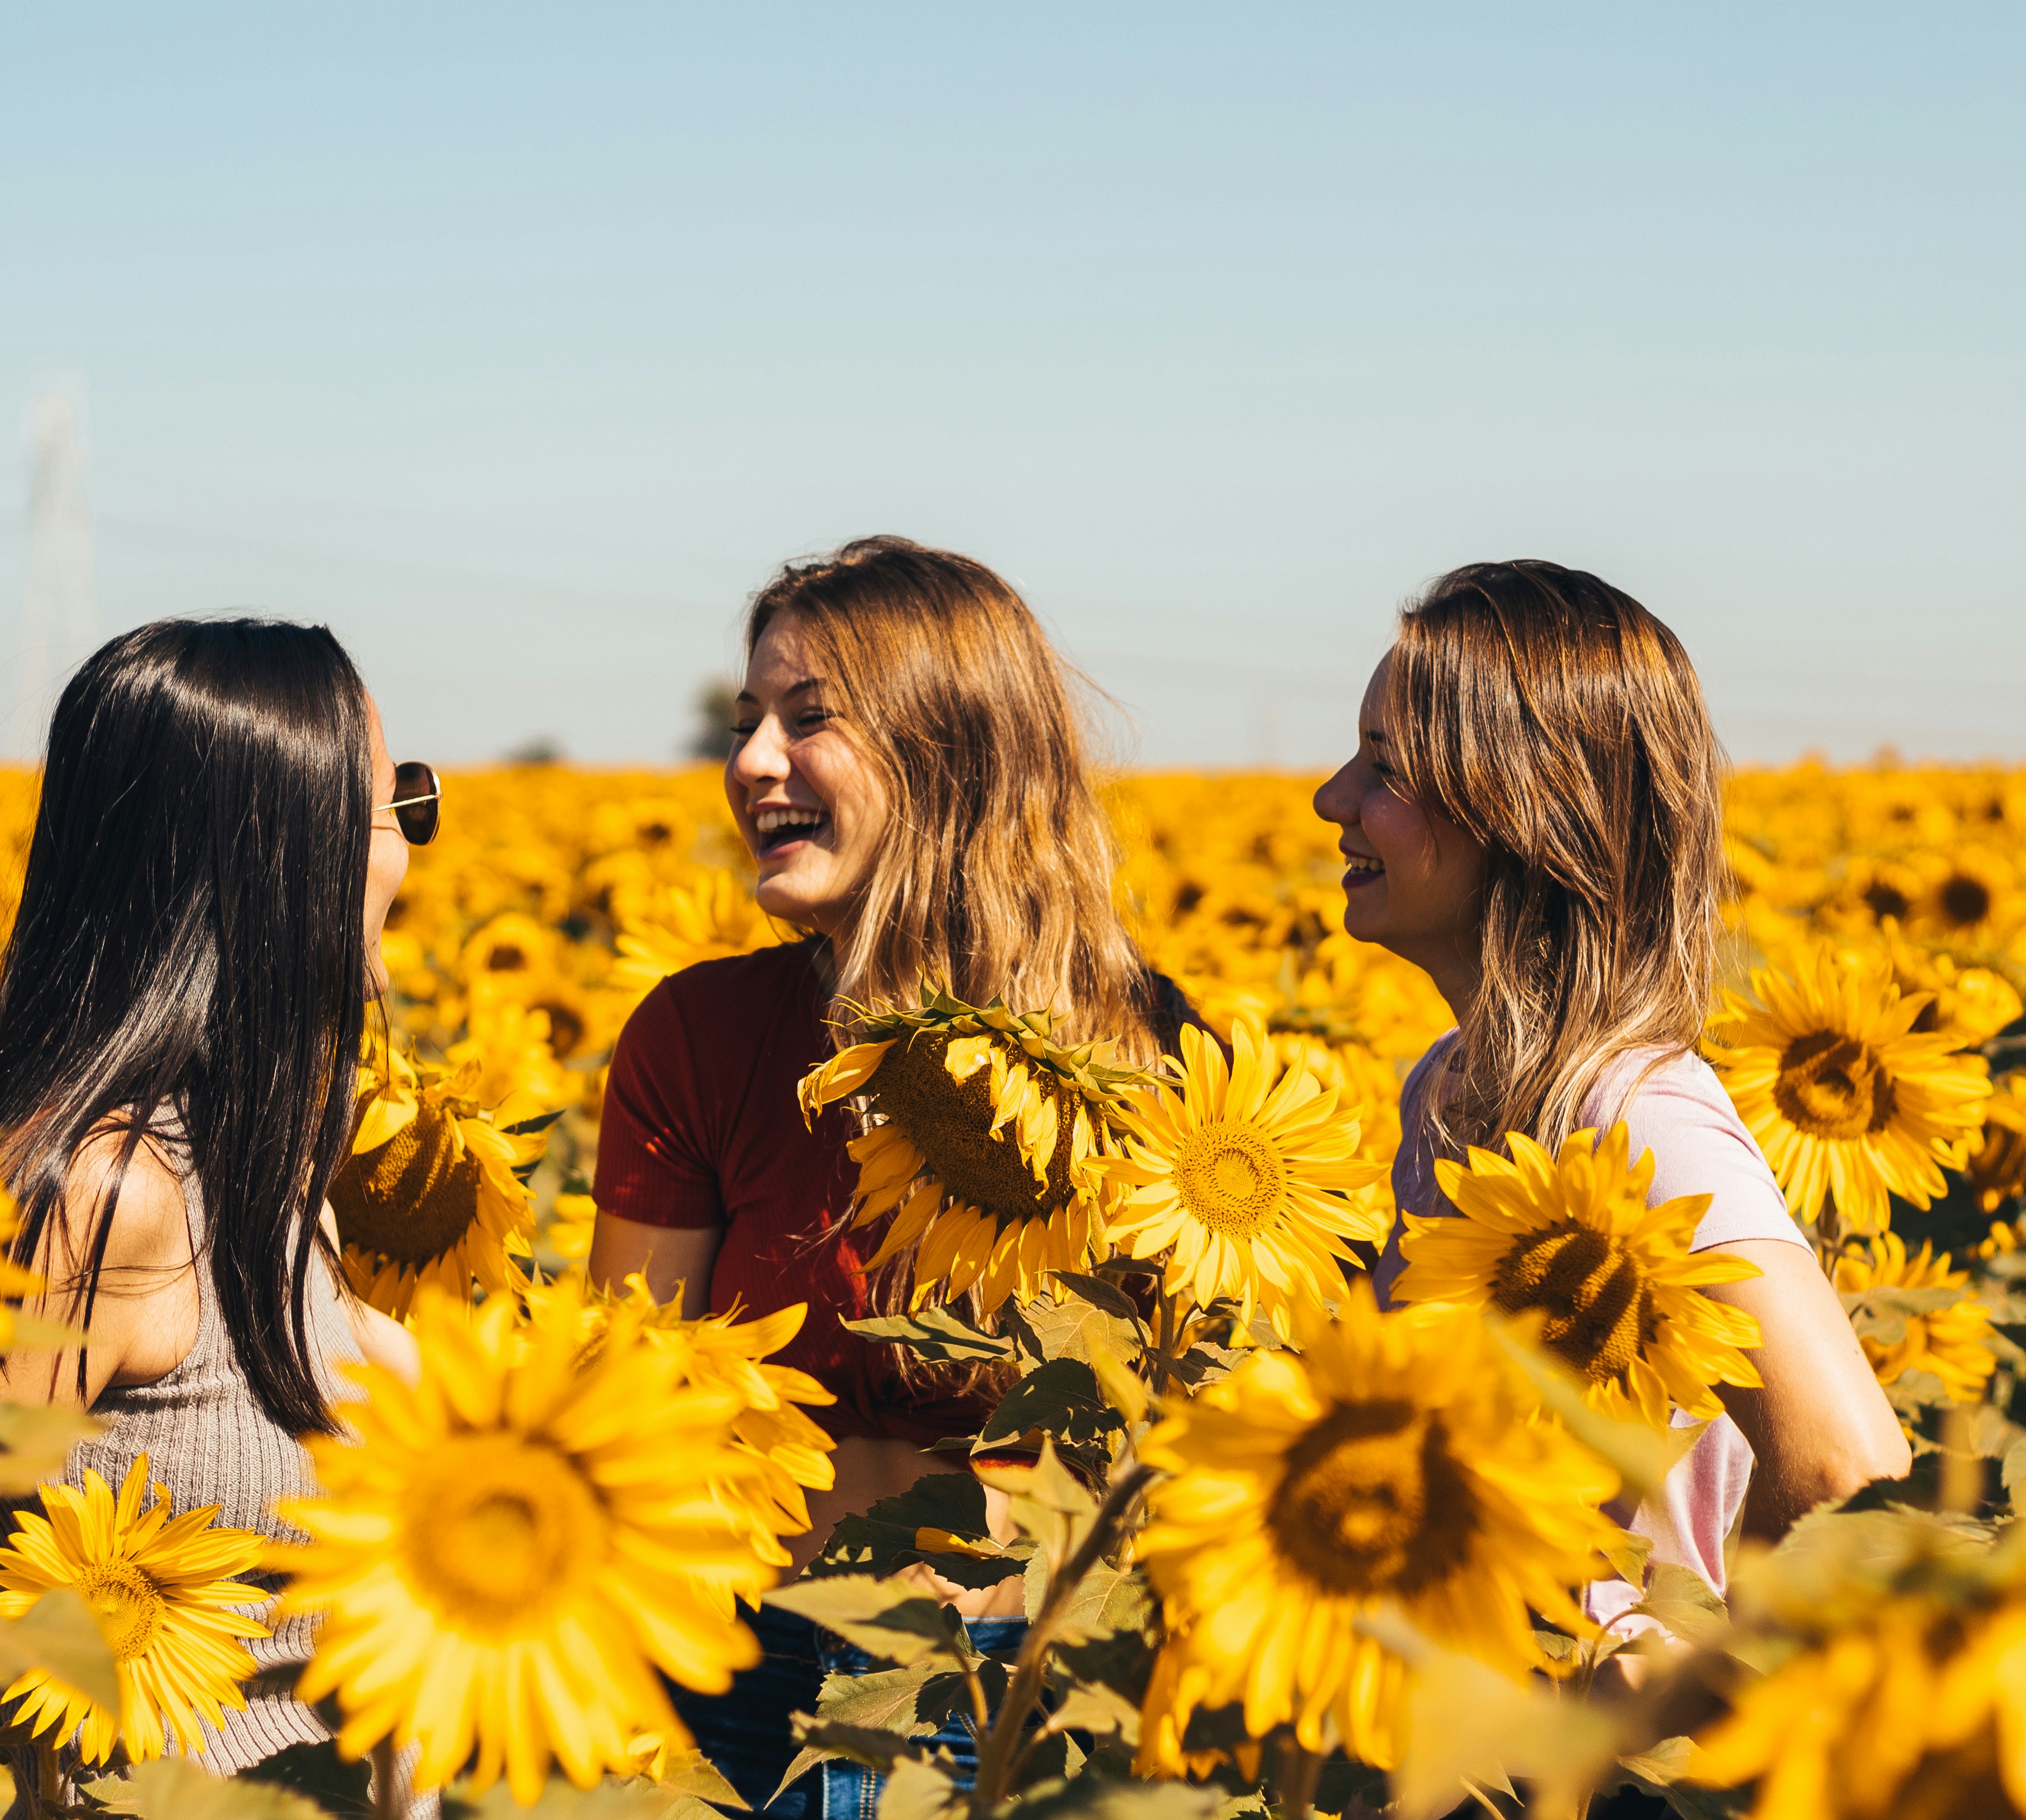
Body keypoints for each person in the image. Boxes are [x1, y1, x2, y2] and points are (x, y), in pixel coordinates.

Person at [588, 536, 1196, 1818]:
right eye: (752, 717)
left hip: (1013, 1687)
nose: (752, 760)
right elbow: (628, 1393)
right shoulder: (700, 1037)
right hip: (740, 1674)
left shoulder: (1146, 1059)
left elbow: (1173, 1423)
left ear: (949, 749)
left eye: (809, 719)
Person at [0, 618, 434, 1811]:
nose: (408, 849)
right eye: (386, 809)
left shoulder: (266, 1168)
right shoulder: (103, 1195)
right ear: (279, 851)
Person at [1317, 560, 1909, 1641]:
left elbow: (1846, 1467)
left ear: (1522, 810)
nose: (1332, 801)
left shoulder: (1634, 1115)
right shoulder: (1448, 1092)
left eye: (1382, 767)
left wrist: (1701, 1704)